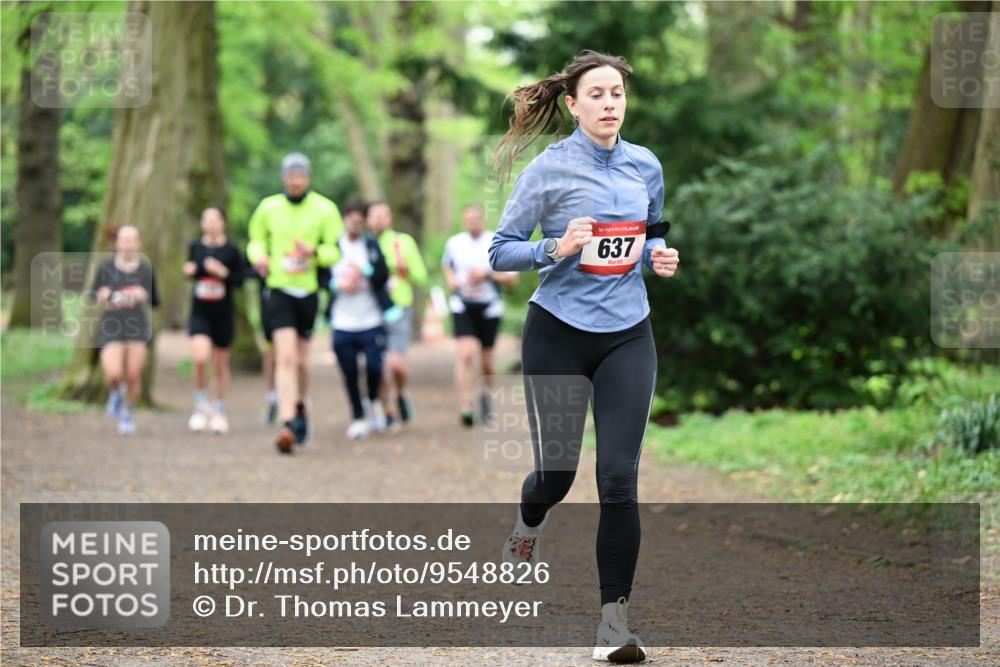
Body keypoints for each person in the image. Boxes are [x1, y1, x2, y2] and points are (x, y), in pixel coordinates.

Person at [488, 50, 679, 663]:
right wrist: (554, 245)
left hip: (628, 334)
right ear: (573, 105)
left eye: (617, 94)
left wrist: (658, 258)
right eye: (596, 94)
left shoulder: (645, 165)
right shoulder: (548, 171)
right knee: (558, 475)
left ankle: (613, 625)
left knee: (619, 478)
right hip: (558, 333)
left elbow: (651, 237)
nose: (609, 104)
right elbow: (500, 251)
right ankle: (528, 526)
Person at [247, 153, 344, 453]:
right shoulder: (268, 207)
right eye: (291, 175)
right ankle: (287, 422)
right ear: (284, 178)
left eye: (301, 175)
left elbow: (335, 251)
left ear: (309, 178)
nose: (296, 180)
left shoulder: (325, 209)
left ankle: (300, 405)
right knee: (285, 356)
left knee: (301, 360)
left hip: (308, 290)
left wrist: (313, 252)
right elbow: (255, 239)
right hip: (278, 288)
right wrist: (258, 256)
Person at [442, 204, 517, 426]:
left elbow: (512, 278)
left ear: (483, 219)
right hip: (463, 304)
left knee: (487, 362)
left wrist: (487, 275)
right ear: (464, 221)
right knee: (465, 354)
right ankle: (466, 405)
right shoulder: (454, 243)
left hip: (489, 306)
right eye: (468, 218)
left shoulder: (494, 241)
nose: (472, 222)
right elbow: (447, 268)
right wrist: (451, 281)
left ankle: (485, 396)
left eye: (476, 218)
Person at [328, 200, 393, 439]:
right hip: (342, 321)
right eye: (351, 219)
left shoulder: (372, 245)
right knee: (350, 372)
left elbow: (383, 275)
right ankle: (358, 415)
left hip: (371, 319)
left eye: (359, 220)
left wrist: (365, 270)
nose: (355, 224)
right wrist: (338, 285)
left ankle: (374, 400)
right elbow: (322, 277)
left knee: (375, 366)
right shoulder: (333, 246)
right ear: (344, 219)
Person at [89, 225, 160, 436]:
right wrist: (102, 294)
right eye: (124, 240)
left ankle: (127, 415)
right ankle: (115, 394)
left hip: (137, 326)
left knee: (133, 375)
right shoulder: (106, 266)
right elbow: (93, 293)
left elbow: (155, 299)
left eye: (132, 240)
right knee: (113, 373)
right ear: (117, 243)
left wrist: (143, 295)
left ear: (138, 243)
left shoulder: (145, 268)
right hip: (112, 325)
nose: (128, 244)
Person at [183, 206, 245, 434]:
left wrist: (223, 273)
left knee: (220, 364)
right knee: (200, 358)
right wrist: (189, 270)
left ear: (223, 222)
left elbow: (241, 278)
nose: (210, 224)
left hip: (223, 312)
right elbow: (193, 270)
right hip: (200, 311)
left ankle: (219, 409)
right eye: (205, 220)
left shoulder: (231, 249)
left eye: (214, 219)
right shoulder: (195, 247)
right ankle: (200, 406)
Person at [366, 201, 428, 431]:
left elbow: (421, 277)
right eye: (375, 215)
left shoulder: (403, 242)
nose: (379, 219)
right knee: (377, 364)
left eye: (384, 215)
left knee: (396, 364)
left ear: (390, 218)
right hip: (372, 310)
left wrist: (405, 267)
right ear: (368, 220)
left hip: (399, 308)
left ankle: (401, 392)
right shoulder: (365, 244)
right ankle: (387, 409)